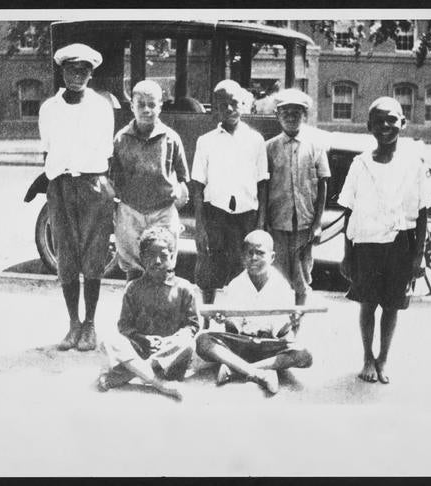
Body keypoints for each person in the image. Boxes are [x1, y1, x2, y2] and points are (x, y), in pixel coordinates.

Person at [337, 97, 431, 384]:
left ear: (402, 123)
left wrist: (418, 255)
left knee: (392, 305)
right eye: (379, 121)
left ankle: (383, 358)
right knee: (368, 303)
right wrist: (347, 253)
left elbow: (423, 212)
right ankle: (367, 356)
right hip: (366, 245)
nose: (386, 126)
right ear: (369, 127)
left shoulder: (413, 165)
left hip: (400, 245)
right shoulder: (360, 164)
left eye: (392, 119)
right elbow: (349, 212)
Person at [38, 43, 116, 352]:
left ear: (91, 73)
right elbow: (47, 148)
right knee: (67, 257)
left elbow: (106, 152)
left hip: (93, 186)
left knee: (94, 256)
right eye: (72, 69)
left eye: (84, 70)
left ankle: (91, 324)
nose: (77, 75)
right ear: (62, 71)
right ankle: (73, 323)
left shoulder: (101, 106)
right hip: (60, 187)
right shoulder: (49, 108)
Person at [196, 230, 313, 395]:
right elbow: (232, 329)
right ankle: (262, 373)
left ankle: (237, 369)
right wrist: (225, 319)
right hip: (241, 344)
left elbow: (281, 332)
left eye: (260, 253)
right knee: (203, 341)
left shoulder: (281, 286)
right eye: (249, 253)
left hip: (268, 344)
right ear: (242, 256)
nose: (254, 258)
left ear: (272, 257)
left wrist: (291, 322)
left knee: (305, 354)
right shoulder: (236, 284)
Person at [98, 226, 200, 401]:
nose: (157, 261)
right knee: (110, 341)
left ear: (172, 256)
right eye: (151, 255)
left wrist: (172, 339)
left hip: (169, 353)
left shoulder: (184, 288)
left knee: (188, 344)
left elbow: (193, 325)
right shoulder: (133, 288)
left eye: (163, 255)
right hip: (140, 348)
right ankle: (159, 383)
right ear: (142, 258)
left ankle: (133, 372)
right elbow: (124, 326)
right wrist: (141, 338)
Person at [191, 80, 268, 305]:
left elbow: (262, 182)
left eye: (234, 103)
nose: (230, 109)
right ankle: (207, 321)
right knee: (210, 271)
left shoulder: (255, 140)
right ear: (215, 108)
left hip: (246, 216)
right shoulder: (205, 142)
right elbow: (198, 184)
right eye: (222, 104)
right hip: (215, 214)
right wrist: (199, 225)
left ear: (243, 104)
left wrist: (260, 224)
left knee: (243, 269)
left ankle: (238, 322)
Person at [110, 79, 190, 281]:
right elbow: (114, 177)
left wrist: (179, 195)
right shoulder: (120, 139)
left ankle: (164, 308)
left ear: (160, 106)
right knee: (132, 266)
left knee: (163, 265)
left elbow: (182, 177)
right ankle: (133, 307)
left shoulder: (171, 138)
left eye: (152, 104)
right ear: (132, 107)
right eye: (141, 105)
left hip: (162, 212)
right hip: (131, 211)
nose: (147, 110)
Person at [265, 88, 331, 305]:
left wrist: (317, 223)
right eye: (285, 112)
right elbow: (264, 187)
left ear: (305, 115)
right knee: (278, 276)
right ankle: (280, 326)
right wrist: (264, 223)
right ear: (277, 116)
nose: (291, 117)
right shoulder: (270, 148)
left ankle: (298, 323)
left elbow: (322, 184)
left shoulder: (315, 146)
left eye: (297, 112)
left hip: (304, 225)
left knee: (302, 278)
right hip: (277, 224)